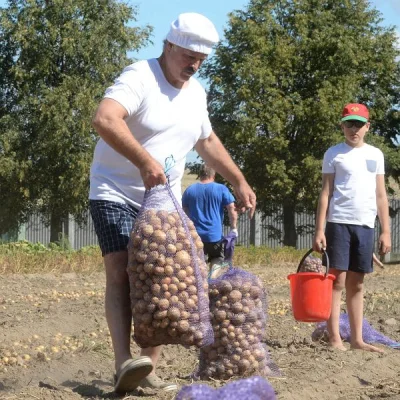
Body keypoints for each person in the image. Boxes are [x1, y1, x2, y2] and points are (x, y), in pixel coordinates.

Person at [89, 12, 256, 394]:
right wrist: (145, 162)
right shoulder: (139, 77)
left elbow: (207, 142)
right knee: (121, 272)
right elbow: (105, 118)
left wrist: (239, 179)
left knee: (165, 278)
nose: (194, 65)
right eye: (188, 56)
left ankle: (147, 367)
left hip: (164, 202)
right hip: (115, 190)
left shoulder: (196, 93)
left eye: (201, 60)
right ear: (168, 46)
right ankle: (122, 362)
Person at [313, 103, 391, 353]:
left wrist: (386, 230)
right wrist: (319, 230)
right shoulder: (333, 153)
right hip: (338, 223)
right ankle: (334, 337)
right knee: (336, 281)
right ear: (342, 125)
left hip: (366, 225)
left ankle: (357, 340)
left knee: (357, 284)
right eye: (349, 123)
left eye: (359, 124)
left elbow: (381, 195)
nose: (353, 129)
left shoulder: (376, 155)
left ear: (368, 127)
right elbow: (325, 193)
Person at [182, 164, 238, 277]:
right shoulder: (221, 189)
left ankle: (199, 282)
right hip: (214, 235)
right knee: (217, 257)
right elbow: (232, 208)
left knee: (196, 259)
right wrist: (234, 228)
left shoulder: (190, 190)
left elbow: (184, 212)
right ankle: (211, 279)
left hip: (195, 235)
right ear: (214, 174)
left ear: (200, 174)